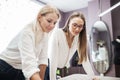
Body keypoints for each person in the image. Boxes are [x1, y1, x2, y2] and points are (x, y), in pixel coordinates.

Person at [0, 5, 61, 80]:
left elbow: (43, 59)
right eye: (49, 21)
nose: (52, 26)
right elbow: (29, 64)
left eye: (55, 23)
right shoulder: (27, 32)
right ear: (39, 17)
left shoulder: (45, 34)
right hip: (5, 66)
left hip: (20, 68)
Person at [48, 12, 98, 80]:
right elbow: (52, 61)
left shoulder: (78, 39)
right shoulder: (57, 34)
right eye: (74, 25)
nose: (77, 29)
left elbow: (84, 60)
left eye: (80, 26)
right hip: (47, 67)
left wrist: (92, 77)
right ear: (68, 23)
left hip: (60, 68)